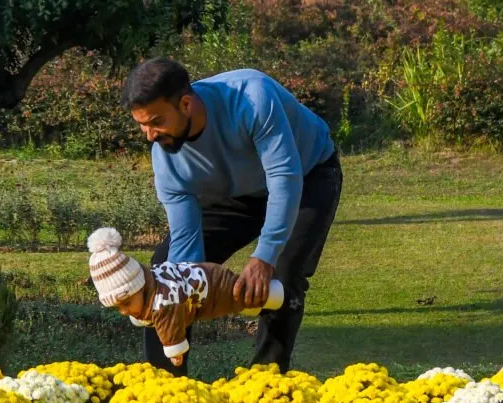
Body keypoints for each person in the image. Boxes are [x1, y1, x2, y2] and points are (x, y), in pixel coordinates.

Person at [122, 57, 341, 373]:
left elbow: (284, 177)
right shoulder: (167, 160)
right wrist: (180, 302)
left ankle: (266, 386)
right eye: (142, 124)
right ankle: (168, 388)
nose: (149, 135)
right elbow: (186, 248)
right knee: (166, 276)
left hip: (308, 176)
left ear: (185, 104)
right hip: (237, 194)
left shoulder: (252, 98)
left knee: (284, 275)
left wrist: (264, 257)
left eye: (155, 121)